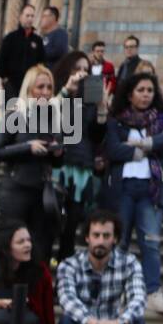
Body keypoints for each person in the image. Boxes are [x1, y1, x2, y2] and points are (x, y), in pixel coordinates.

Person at [105, 71, 163, 318]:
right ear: (130, 95)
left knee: (150, 243)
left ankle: (153, 292)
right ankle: (115, 291)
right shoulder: (117, 119)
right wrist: (140, 151)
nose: (145, 95)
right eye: (141, 90)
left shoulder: (161, 119)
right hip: (123, 188)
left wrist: (141, 144)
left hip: (150, 190)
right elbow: (112, 149)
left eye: (150, 90)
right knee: (118, 242)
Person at [0, 64, 63, 263]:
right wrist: (27, 147)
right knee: (12, 243)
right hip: (16, 189)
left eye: (49, 87)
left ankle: (35, 291)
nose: (45, 92)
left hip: (42, 191)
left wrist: (57, 151)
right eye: (40, 87)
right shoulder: (15, 113)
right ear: (29, 88)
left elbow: (57, 162)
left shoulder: (53, 118)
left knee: (40, 248)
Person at [52, 51, 108, 261]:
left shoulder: (91, 99)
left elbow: (97, 135)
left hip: (82, 165)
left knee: (73, 224)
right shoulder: (60, 92)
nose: (83, 73)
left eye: (86, 69)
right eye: (78, 68)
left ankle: (64, 267)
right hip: (60, 163)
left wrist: (102, 110)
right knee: (51, 220)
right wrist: (68, 91)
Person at [0, 3, 45, 102]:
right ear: (21, 17)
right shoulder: (10, 38)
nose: (30, 18)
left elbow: (41, 63)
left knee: (28, 115)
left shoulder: (38, 40)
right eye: (27, 15)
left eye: (32, 16)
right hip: (12, 86)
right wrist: (6, 80)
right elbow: (1, 62)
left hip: (31, 86)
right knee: (12, 115)